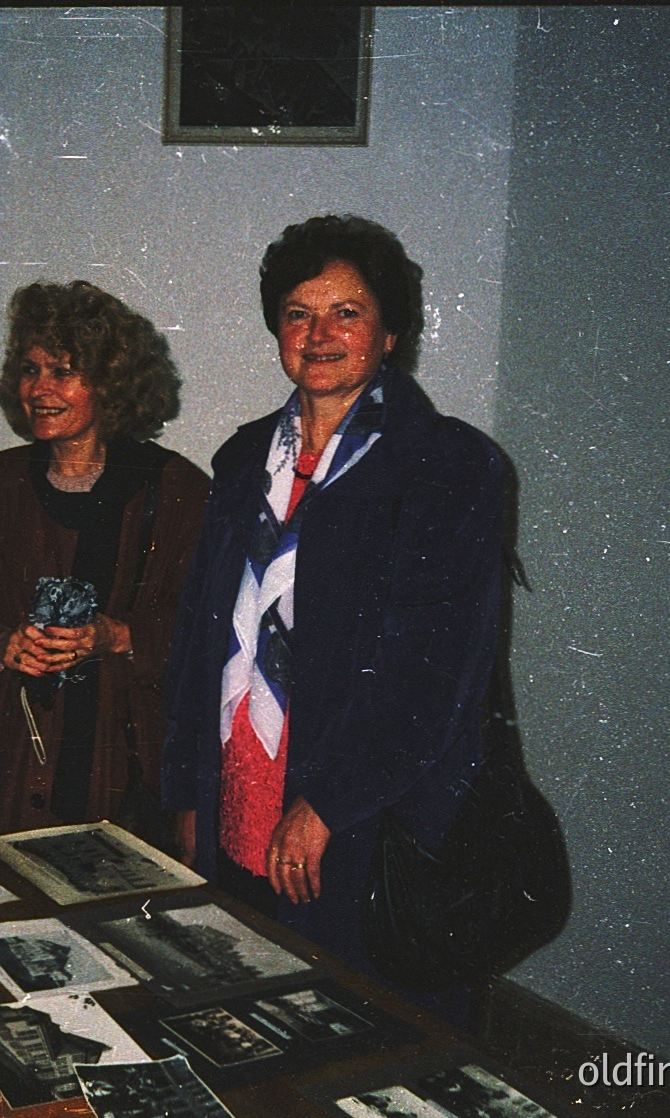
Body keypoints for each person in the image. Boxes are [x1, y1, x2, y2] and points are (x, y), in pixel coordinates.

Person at [160, 216, 506, 1018]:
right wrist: (186, 790)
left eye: (346, 312)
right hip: (239, 790)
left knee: (363, 1032)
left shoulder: (448, 465)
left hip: (362, 810)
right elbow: (197, 636)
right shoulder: (245, 457)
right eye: (296, 313)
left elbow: (433, 670)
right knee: (245, 1013)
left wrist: (328, 805)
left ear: (390, 333)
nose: (318, 334)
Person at [0, 281, 210, 843]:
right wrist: (1, 644)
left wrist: (118, 635)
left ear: (110, 382)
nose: (40, 389)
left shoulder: (179, 491)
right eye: (30, 370)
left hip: (124, 772)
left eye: (64, 370)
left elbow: (209, 630)